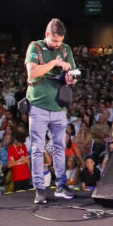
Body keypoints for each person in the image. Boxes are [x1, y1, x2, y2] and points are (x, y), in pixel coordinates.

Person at [25, 17, 78, 202]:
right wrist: (55, 63)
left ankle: (61, 185)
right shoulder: (35, 48)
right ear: (47, 34)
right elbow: (32, 73)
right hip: (38, 107)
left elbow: (73, 73)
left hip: (58, 107)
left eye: (60, 41)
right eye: (54, 40)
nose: (57, 44)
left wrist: (71, 78)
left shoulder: (65, 49)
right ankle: (40, 188)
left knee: (59, 147)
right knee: (37, 148)